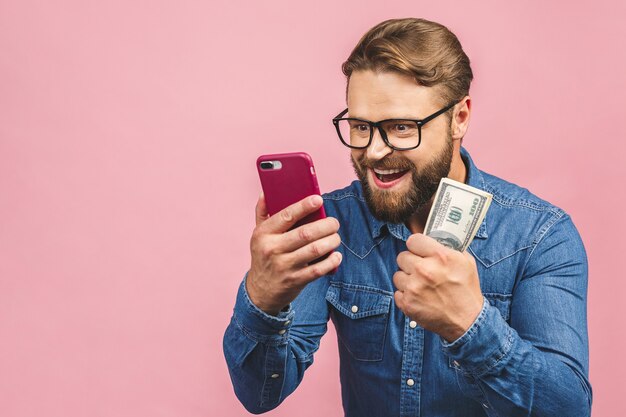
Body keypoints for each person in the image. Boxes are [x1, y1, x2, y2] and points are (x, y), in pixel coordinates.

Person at [223, 17, 592, 416]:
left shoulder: (540, 237)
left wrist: (471, 326)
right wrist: (262, 299)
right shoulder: (331, 227)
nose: (375, 152)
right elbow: (259, 395)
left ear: (460, 118)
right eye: (362, 126)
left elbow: (569, 407)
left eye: (401, 127)